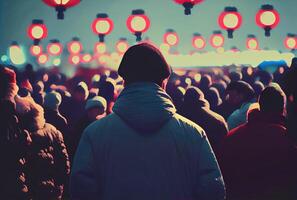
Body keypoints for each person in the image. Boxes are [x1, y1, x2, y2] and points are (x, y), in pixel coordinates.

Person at [70, 43, 225, 200]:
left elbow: (81, 190)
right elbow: (213, 190)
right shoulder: (193, 134)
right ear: (163, 83)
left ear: (124, 82)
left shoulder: (94, 134)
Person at [218, 84, 297, 200]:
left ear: (260, 105)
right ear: (283, 109)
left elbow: (223, 176)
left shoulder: (232, 137)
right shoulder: (288, 141)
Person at [16, 96, 70, 200]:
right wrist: (59, 186)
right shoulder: (53, 131)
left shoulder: (22, 136)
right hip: (52, 190)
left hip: (32, 191)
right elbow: (64, 163)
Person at [0, 66, 31, 199]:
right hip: (7, 180)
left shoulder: (9, 112)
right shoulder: (6, 112)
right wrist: (24, 140)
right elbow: (8, 148)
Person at [180, 87, 228, 155]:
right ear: (203, 100)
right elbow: (225, 144)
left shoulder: (179, 120)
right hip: (214, 159)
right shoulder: (218, 119)